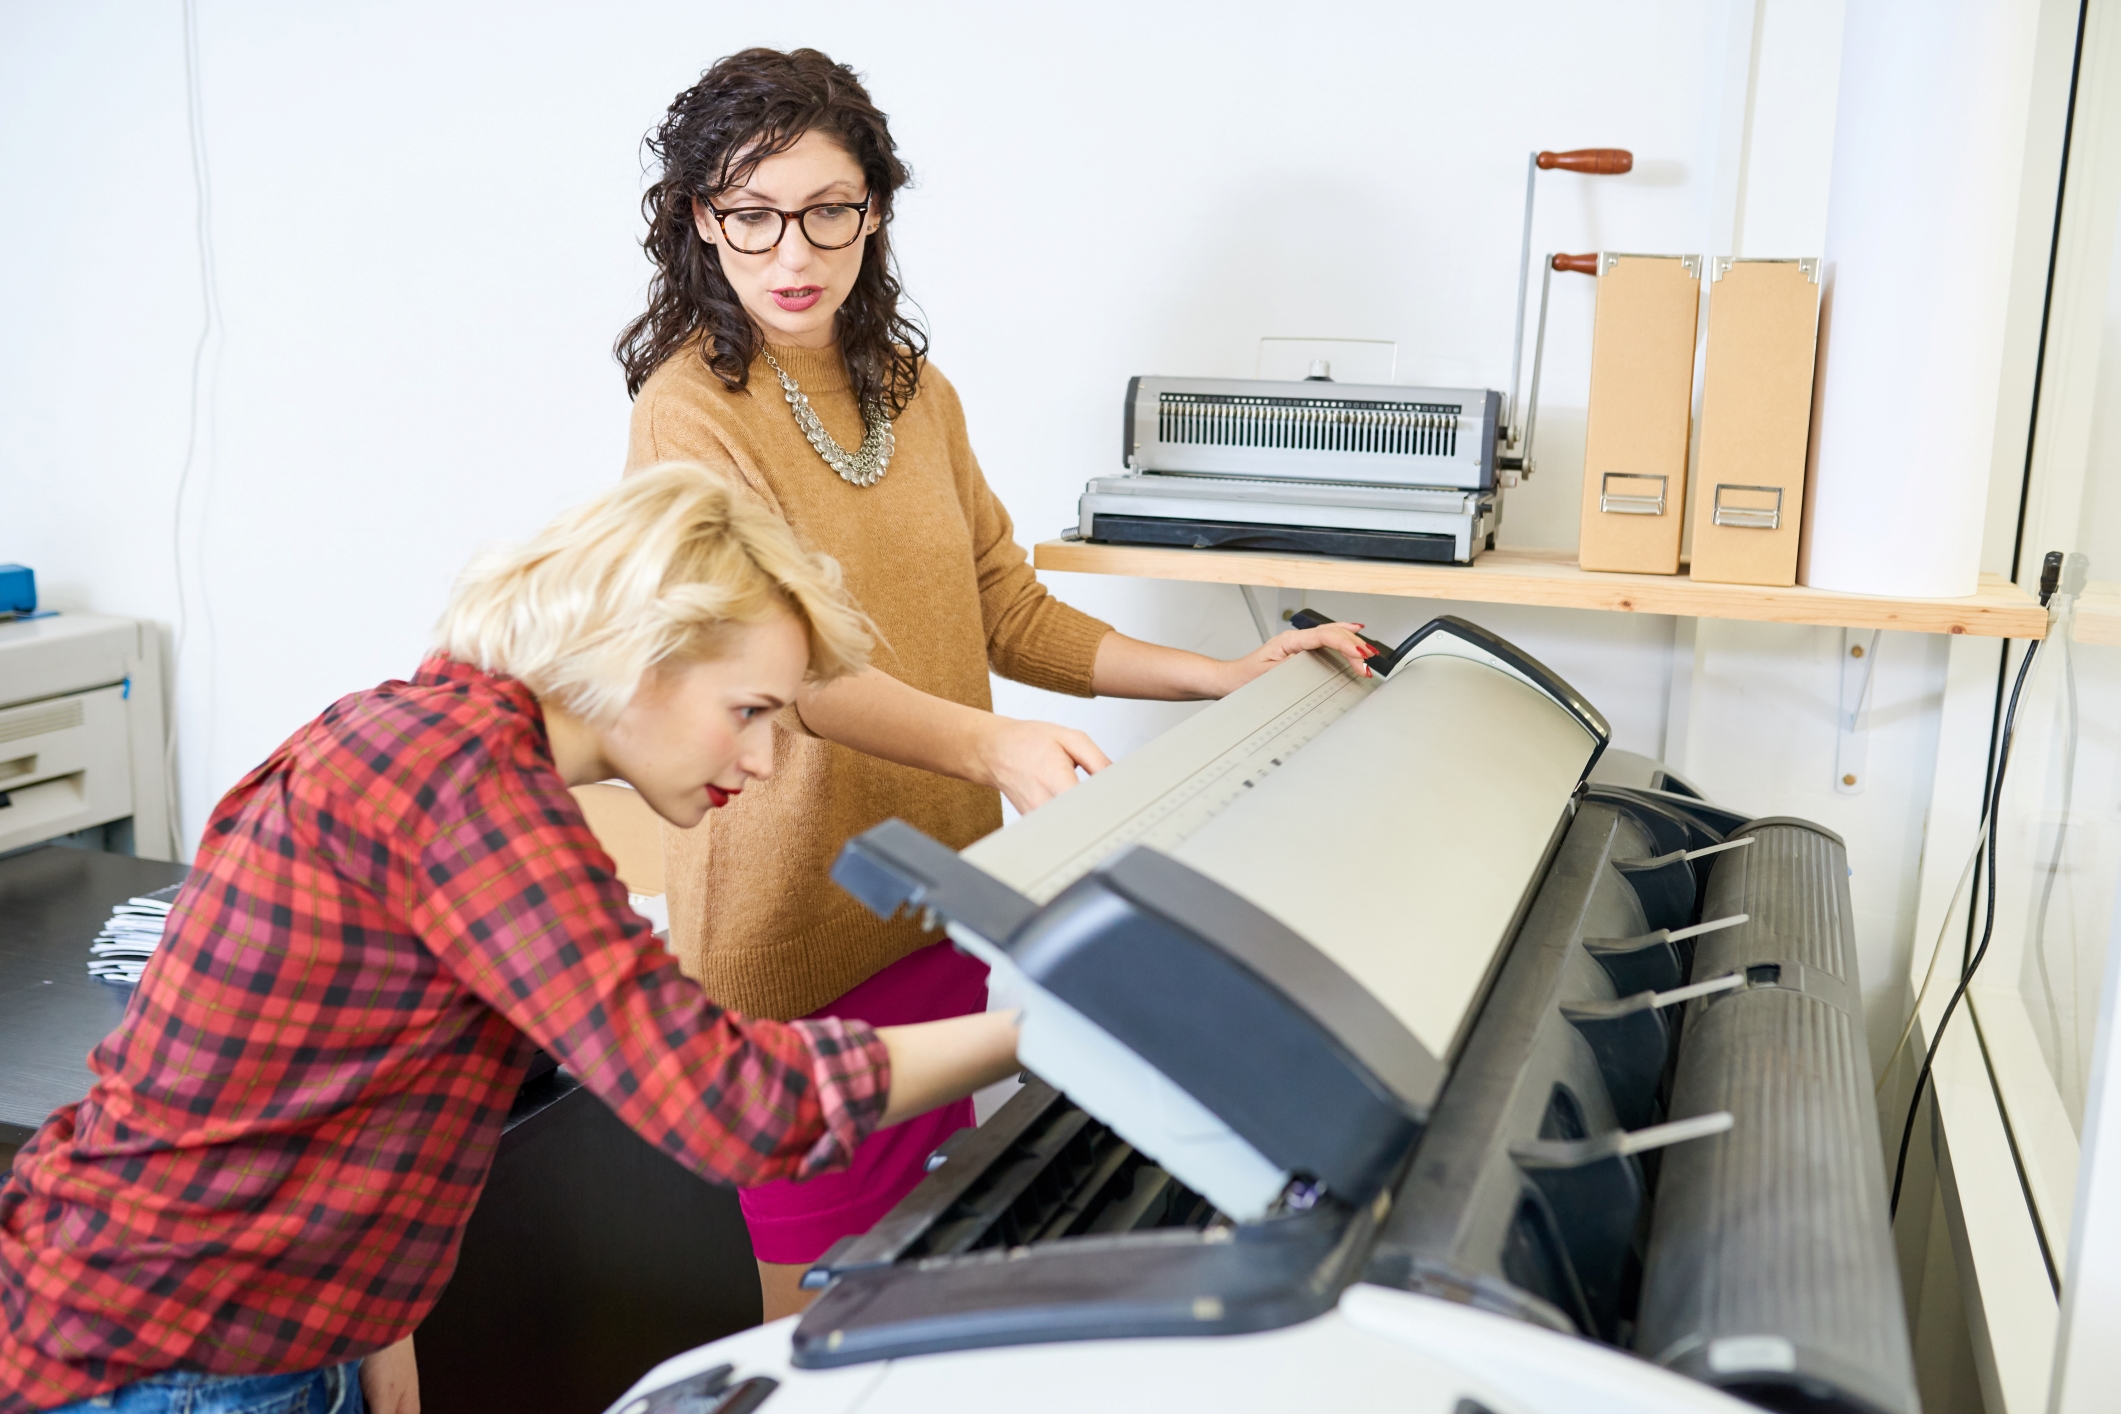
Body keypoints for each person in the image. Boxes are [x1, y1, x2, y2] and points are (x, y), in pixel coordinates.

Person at [615, 46, 1378, 1318]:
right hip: (794, 933)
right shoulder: (687, 412)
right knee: (819, 1324)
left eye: (826, 210)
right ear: (701, 221)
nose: (791, 252)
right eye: (750, 216)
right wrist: (994, 747)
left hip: (943, 902)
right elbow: (786, 671)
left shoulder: (916, 393)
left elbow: (1003, 605)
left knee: (934, 1285)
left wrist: (1224, 674)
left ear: (876, 208)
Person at [0, 466, 1023, 1414]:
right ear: (640, 655)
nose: (762, 758)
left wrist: (374, 1321)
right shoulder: (470, 792)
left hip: (188, 1309)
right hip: (178, 1351)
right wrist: (1042, 1031)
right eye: (748, 711)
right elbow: (732, 1103)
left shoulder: (414, 727)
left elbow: (342, 1073)